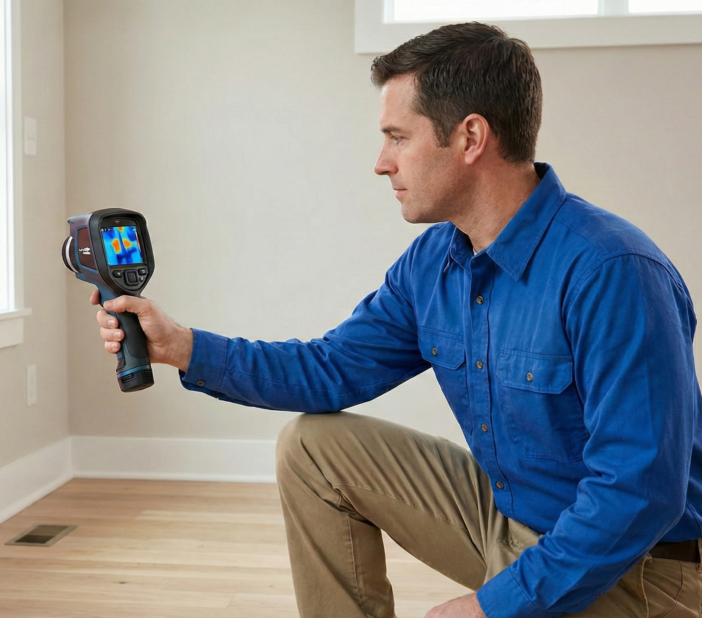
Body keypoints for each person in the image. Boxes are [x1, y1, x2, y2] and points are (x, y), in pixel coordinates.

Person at [89, 22, 702, 618]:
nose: (382, 163)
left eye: (397, 137)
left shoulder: (612, 271)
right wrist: (184, 346)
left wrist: (493, 605)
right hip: (511, 521)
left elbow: (638, 492)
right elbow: (329, 368)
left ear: (469, 138)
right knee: (315, 446)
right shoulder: (435, 261)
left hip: (637, 570)